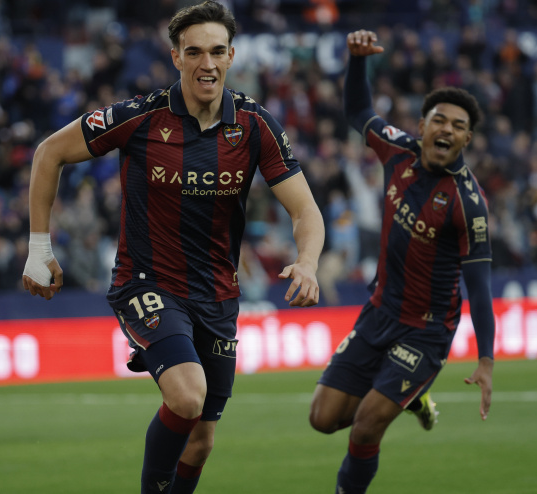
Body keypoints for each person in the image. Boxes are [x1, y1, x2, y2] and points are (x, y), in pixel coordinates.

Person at [21, 2, 324, 493]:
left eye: (217, 52)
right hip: (148, 283)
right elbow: (49, 152)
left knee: (200, 442)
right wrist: (39, 247)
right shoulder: (139, 118)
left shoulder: (254, 125)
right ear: (175, 57)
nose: (207, 63)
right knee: (187, 397)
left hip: (218, 298)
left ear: (231, 57)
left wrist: (307, 263)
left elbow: (305, 211)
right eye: (195, 51)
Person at [308, 30, 495, 494]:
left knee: (366, 427)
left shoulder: (468, 204)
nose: (446, 130)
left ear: (467, 138)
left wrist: (486, 359)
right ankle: (411, 397)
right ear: (424, 124)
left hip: (426, 330)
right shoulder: (397, 149)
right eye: (439, 120)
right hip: (379, 311)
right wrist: (356, 62)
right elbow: (356, 111)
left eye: (457, 125)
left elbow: (481, 289)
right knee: (322, 419)